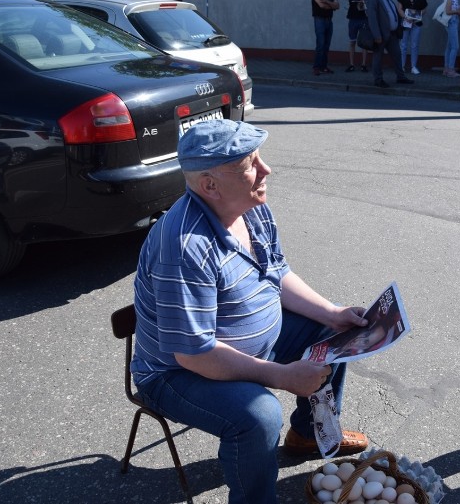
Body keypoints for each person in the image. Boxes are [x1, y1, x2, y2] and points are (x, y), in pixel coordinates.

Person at [131, 119, 370, 504]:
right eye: (249, 164)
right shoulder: (183, 247)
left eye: (259, 158)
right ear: (210, 185)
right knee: (259, 416)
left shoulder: (250, 206)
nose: (266, 170)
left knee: (337, 337)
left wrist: (331, 313)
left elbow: (278, 273)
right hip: (177, 374)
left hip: (244, 347)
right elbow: (194, 354)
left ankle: (308, 433)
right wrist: (282, 376)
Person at [365, 0, 414, 88]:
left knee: (397, 55)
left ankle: (400, 77)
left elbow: (393, 14)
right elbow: (372, 18)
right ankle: (378, 79)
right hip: (381, 35)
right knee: (378, 57)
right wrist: (377, 35)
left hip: (392, 34)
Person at [396, 0, 428, 75]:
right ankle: (402, 66)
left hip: (416, 24)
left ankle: (414, 66)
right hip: (405, 23)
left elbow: (425, 9)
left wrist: (417, 16)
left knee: (414, 45)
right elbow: (399, 8)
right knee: (403, 45)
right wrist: (405, 17)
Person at [311, 0, 340, 76]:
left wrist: (327, 1)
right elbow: (321, 5)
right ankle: (316, 67)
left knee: (327, 45)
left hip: (329, 20)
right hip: (319, 20)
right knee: (320, 44)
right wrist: (331, 5)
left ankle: (324, 66)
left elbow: (337, 6)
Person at [345, 0, 371, 73]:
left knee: (364, 42)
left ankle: (363, 65)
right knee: (352, 42)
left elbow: (368, 0)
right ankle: (351, 64)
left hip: (364, 18)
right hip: (353, 18)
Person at [442, 0, 460, 77]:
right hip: (451, 22)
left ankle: (446, 69)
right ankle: (451, 70)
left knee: (450, 46)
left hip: (453, 22)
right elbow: (448, 11)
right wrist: (458, 11)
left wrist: (459, 8)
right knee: (455, 47)